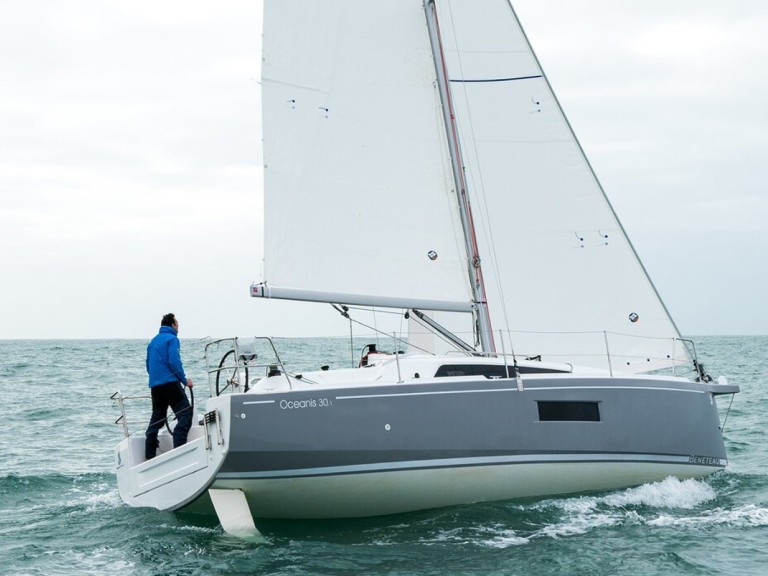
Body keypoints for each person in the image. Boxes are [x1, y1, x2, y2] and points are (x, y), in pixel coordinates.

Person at [144, 313, 193, 460]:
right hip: (170, 384)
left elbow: (148, 365)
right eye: (177, 324)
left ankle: (149, 453)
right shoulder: (172, 339)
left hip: (155, 386)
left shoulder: (153, 342)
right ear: (172, 325)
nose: (178, 327)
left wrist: (157, 379)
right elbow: (174, 362)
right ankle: (179, 451)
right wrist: (185, 381)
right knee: (185, 414)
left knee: (158, 418)